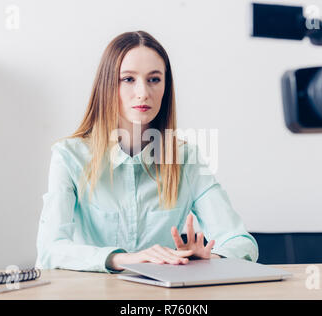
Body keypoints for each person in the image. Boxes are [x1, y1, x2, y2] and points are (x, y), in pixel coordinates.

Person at [35, 31, 258, 273]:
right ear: (108, 85)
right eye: (128, 79)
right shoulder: (69, 156)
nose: (143, 92)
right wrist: (123, 259)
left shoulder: (185, 159)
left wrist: (209, 258)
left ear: (165, 87)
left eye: (154, 79)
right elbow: (50, 249)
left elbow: (242, 243)